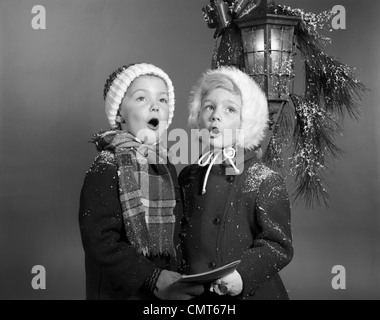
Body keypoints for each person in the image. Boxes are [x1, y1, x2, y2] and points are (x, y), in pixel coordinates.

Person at [79, 63, 204, 300]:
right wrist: (152, 277)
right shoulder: (106, 167)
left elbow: (176, 232)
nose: (155, 106)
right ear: (119, 116)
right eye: (142, 99)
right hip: (122, 293)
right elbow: (101, 242)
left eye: (163, 100)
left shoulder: (164, 166)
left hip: (164, 293)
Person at [179, 66, 294, 300]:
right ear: (198, 115)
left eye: (230, 109)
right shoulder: (189, 177)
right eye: (209, 106)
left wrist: (241, 276)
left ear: (247, 122)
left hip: (248, 293)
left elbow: (278, 245)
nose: (216, 115)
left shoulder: (265, 180)